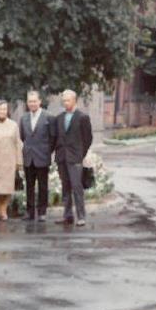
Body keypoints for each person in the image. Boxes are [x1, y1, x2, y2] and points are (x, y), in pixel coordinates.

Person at [54, 89, 93, 227]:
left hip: (75, 158)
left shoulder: (82, 117)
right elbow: (56, 137)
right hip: (62, 157)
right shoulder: (59, 118)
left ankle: (81, 216)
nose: (65, 103)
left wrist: (80, 154)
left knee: (77, 187)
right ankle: (67, 215)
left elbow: (88, 138)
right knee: (65, 187)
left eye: (68, 100)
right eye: (63, 100)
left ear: (74, 100)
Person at [19, 89, 57, 221]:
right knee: (29, 186)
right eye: (30, 101)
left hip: (42, 156)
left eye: (35, 101)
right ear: (27, 103)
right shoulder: (23, 118)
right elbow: (23, 137)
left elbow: (53, 137)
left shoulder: (49, 117)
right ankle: (30, 212)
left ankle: (42, 212)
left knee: (42, 186)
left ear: (40, 101)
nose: (32, 104)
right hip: (28, 157)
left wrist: (47, 151)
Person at [0, 100, 23, 221]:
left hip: (9, 161)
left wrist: (19, 161)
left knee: (7, 188)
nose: (2, 111)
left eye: (4, 109)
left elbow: (18, 143)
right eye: (0, 109)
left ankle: (4, 210)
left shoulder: (13, 125)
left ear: (7, 111)